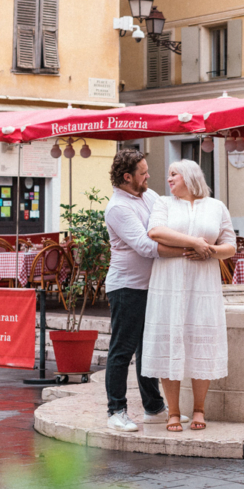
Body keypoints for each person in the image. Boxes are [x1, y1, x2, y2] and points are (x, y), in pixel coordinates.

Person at [142, 159, 236, 431]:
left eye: (174, 175)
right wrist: (194, 242)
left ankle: (199, 409)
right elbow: (155, 232)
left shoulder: (216, 206)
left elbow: (230, 245)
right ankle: (173, 412)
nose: (169, 180)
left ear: (190, 176)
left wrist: (210, 252)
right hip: (169, 282)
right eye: (169, 175)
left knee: (200, 342)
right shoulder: (164, 203)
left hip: (204, 283)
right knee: (170, 340)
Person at [101, 149, 171, 433]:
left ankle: (153, 408)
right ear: (127, 177)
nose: (148, 176)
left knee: (148, 349)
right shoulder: (118, 207)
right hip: (126, 287)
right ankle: (115, 411)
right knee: (122, 350)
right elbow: (144, 246)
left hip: (150, 286)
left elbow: (166, 218)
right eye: (143, 172)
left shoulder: (149, 196)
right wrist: (185, 249)